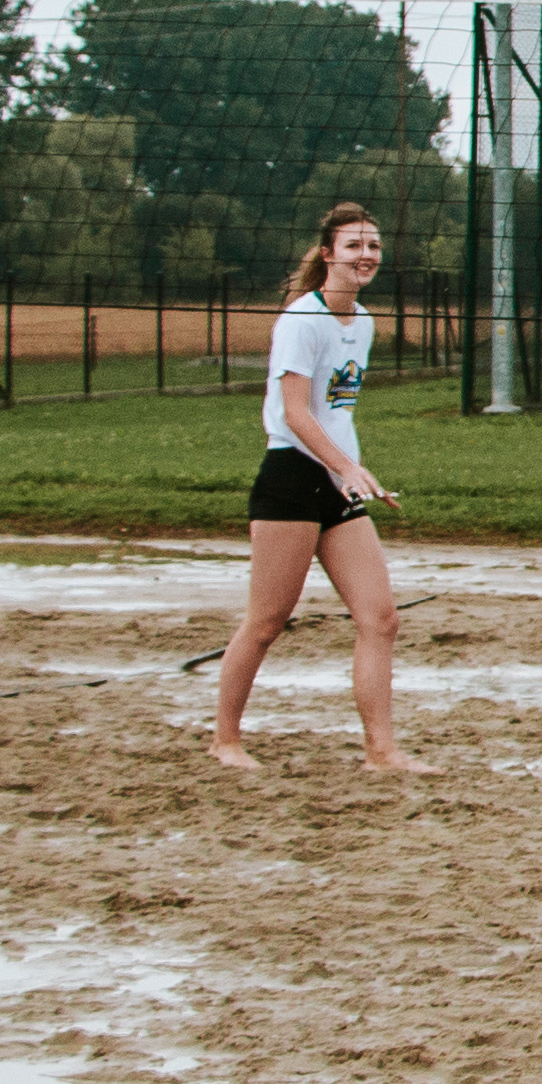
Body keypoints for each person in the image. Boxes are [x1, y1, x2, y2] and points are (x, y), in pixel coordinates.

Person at [207, 202, 420, 774]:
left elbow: (336, 413)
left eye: (373, 246)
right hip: (291, 479)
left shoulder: (365, 321)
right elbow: (297, 415)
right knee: (266, 622)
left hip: (337, 482)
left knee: (381, 619)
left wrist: (358, 473)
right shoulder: (302, 319)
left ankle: (382, 751)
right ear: (328, 253)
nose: (366, 255)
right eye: (354, 246)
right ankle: (225, 740)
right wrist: (345, 467)